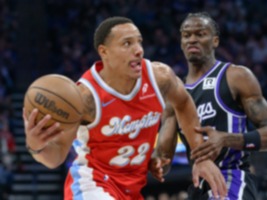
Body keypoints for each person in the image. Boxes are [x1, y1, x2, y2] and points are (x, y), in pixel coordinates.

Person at [23, 16, 227, 200]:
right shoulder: (85, 97)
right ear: (104, 52)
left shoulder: (159, 77)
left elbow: (183, 104)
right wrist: (36, 145)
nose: (138, 50)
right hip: (92, 185)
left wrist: (201, 156)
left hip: (132, 190)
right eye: (127, 43)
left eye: (139, 42)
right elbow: (55, 157)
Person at [150, 12, 267, 200]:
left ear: (215, 41)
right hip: (198, 184)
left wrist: (226, 139)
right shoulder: (175, 97)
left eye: (200, 34)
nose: (192, 40)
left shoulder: (236, 76)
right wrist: (153, 162)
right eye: (186, 35)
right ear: (181, 43)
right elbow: (164, 158)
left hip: (232, 177)